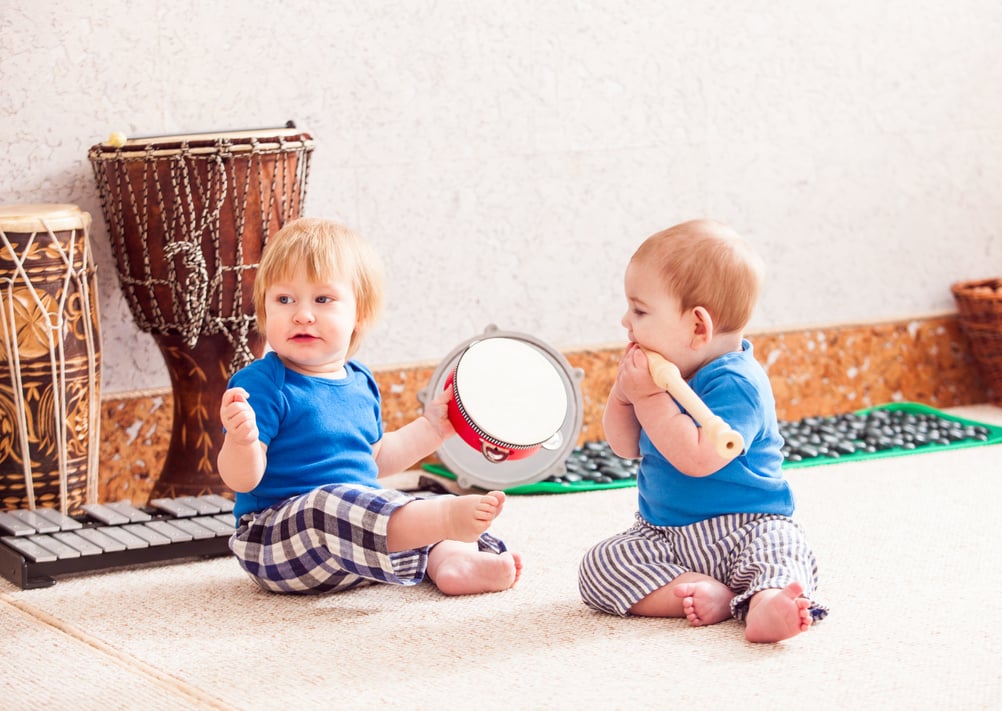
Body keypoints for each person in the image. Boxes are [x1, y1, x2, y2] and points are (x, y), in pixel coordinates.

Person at [218, 217, 521, 596]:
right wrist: (242, 442)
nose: (302, 314)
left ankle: (452, 562)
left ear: (358, 314)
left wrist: (433, 429)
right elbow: (241, 480)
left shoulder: (360, 382)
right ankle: (444, 520)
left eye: (322, 299)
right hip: (277, 543)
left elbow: (374, 460)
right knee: (331, 504)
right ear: (264, 311)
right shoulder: (261, 384)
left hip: (357, 547)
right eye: (284, 300)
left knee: (406, 504)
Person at [578, 218, 827, 643]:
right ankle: (709, 593)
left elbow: (697, 459)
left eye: (639, 310)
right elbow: (623, 446)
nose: (625, 321)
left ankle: (766, 602)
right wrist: (625, 395)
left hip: (749, 526)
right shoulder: (660, 377)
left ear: (698, 327)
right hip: (665, 534)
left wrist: (650, 399)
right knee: (599, 567)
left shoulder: (738, 383)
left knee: (781, 552)